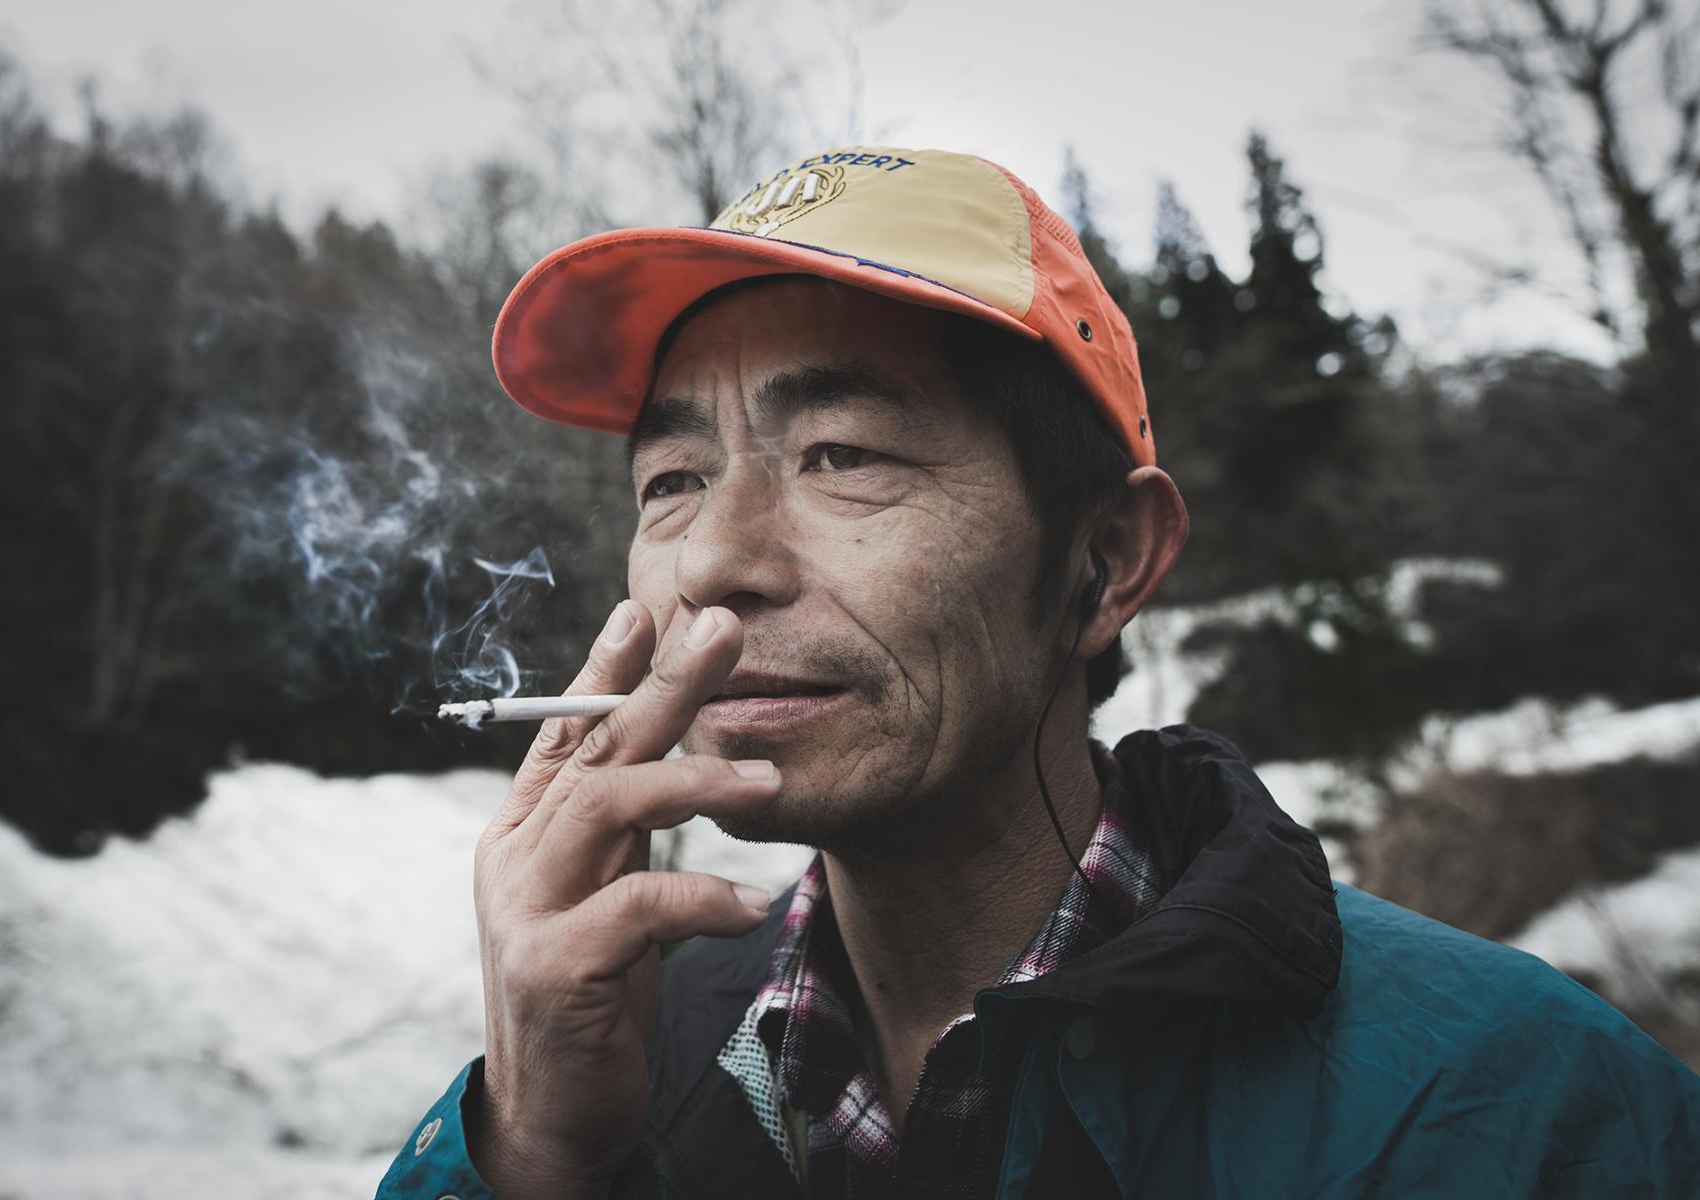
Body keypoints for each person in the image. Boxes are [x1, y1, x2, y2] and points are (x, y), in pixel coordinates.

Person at [378, 147, 1700, 1199]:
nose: (715, 562)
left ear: (1107, 560)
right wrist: (530, 1156)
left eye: (844, 454)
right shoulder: (622, 1070)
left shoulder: (1519, 1109)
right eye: (672, 480)